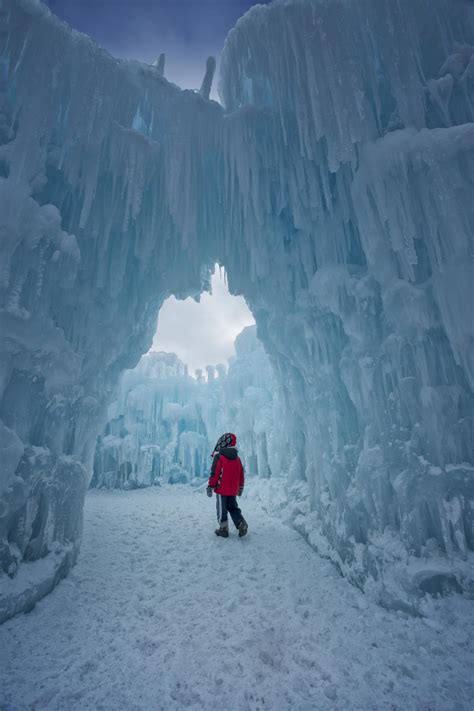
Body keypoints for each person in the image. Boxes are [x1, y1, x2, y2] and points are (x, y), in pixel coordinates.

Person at [206, 432, 248, 538]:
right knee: (233, 507)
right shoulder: (237, 458)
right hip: (233, 489)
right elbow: (241, 474)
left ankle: (223, 529)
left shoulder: (219, 457)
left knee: (221, 508)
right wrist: (241, 487)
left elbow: (215, 473)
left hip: (221, 489)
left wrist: (210, 486)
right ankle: (241, 523)